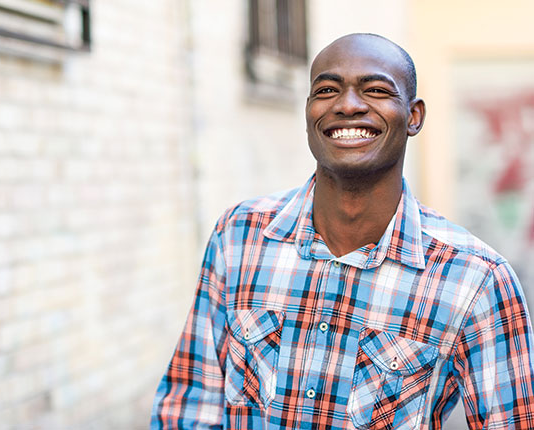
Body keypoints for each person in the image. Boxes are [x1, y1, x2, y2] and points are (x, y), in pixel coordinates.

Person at [150, 33, 534, 429]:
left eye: (376, 90)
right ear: (309, 111)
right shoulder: (240, 235)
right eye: (328, 90)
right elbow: (191, 405)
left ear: (414, 116)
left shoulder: (476, 278)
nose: (347, 105)